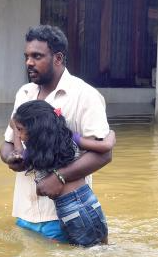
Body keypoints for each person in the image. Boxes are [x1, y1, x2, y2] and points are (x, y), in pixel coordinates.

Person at [0, 25, 112, 242]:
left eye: (37, 56)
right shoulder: (24, 93)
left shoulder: (85, 96)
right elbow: (7, 142)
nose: (28, 62)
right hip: (24, 212)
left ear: (58, 58)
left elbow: (104, 154)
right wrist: (11, 158)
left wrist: (59, 177)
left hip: (65, 215)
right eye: (27, 56)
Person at [9, 100, 114, 246]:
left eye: (20, 130)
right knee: (102, 250)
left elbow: (18, 153)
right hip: (91, 202)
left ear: (34, 130)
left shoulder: (34, 154)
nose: (19, 135)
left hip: (69, 210)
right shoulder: (71, 139)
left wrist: (14, 130)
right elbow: (106, 146)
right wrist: (111, 133)